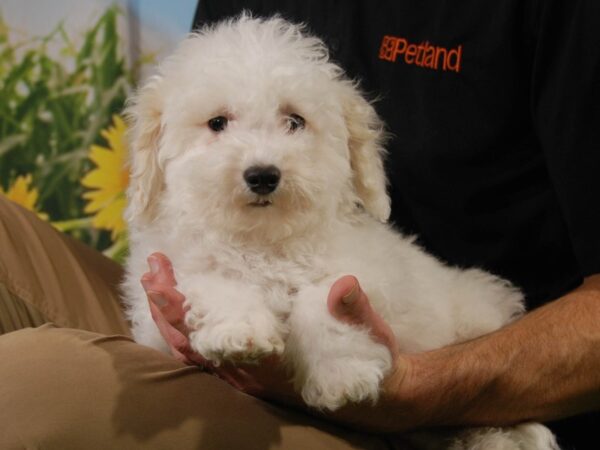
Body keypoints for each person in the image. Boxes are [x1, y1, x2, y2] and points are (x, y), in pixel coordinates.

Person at [0, 1, 598, 449]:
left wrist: (417, 393)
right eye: (219, 124)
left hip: (409, 396)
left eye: (292, 122)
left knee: (26, 381)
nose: (261, 157)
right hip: (208, 359)